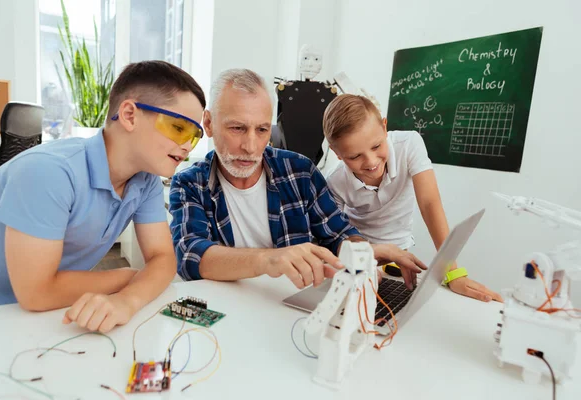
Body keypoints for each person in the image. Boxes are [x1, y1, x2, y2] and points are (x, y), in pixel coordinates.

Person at [0, 60, 206, 332]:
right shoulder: (48, 172)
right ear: (129, 115)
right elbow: (36, 293)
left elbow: (163, 259)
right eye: (178, 128)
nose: (185, 145)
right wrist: (128, 277)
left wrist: (128, 300)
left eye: (194, 136)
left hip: (57, 315)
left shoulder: (145, 181)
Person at [169, 69, 426, 290]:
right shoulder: (190, 184)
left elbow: (339, 235)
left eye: (262, 129)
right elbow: (191, 257)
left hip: (290, 308)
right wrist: (270, 260)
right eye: (237, 128)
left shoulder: (299, 171)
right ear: (209, 123)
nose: (250, 146)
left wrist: (362, 253)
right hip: (230, 311)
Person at [322, 94, 502, 302]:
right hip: (360, 257)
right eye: (354, 156)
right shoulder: (334, 180)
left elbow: (429, 203)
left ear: (384, 126)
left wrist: (452, 271)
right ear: (336, 153)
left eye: (376, 146)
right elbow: (332, 235)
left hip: (400, 256)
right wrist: (361, 261)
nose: (371, 162)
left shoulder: (409, 144)